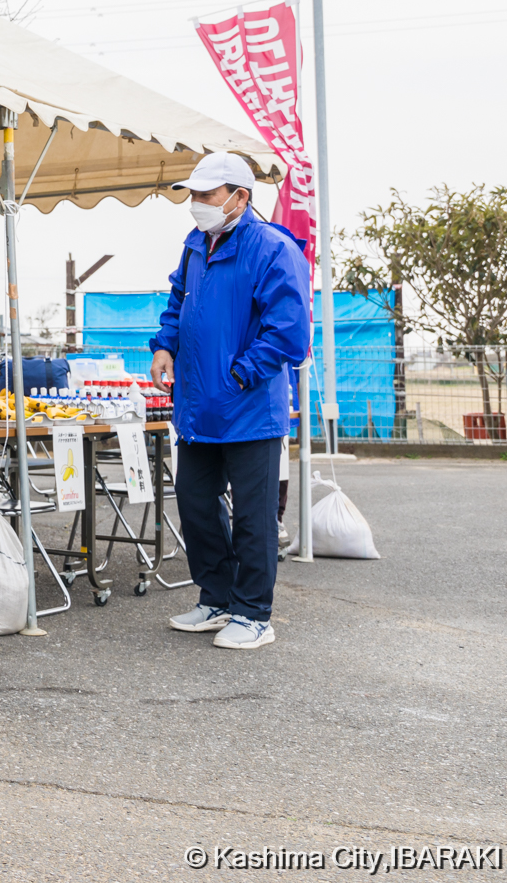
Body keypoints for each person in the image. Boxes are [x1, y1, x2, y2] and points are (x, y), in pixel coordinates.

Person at [150, 151, 310, 651]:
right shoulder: (195, 245)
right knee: (196, 505)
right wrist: (163, 346)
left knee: (254, 516)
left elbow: (289, 331)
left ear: (241, 196)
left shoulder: (271, 248)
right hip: (198, 407)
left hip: (249, 408)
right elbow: (177, 302)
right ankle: (216, 599)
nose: (196, 204)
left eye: (206, 195)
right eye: (192, 195)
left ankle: (254, 614)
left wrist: (241, 375)